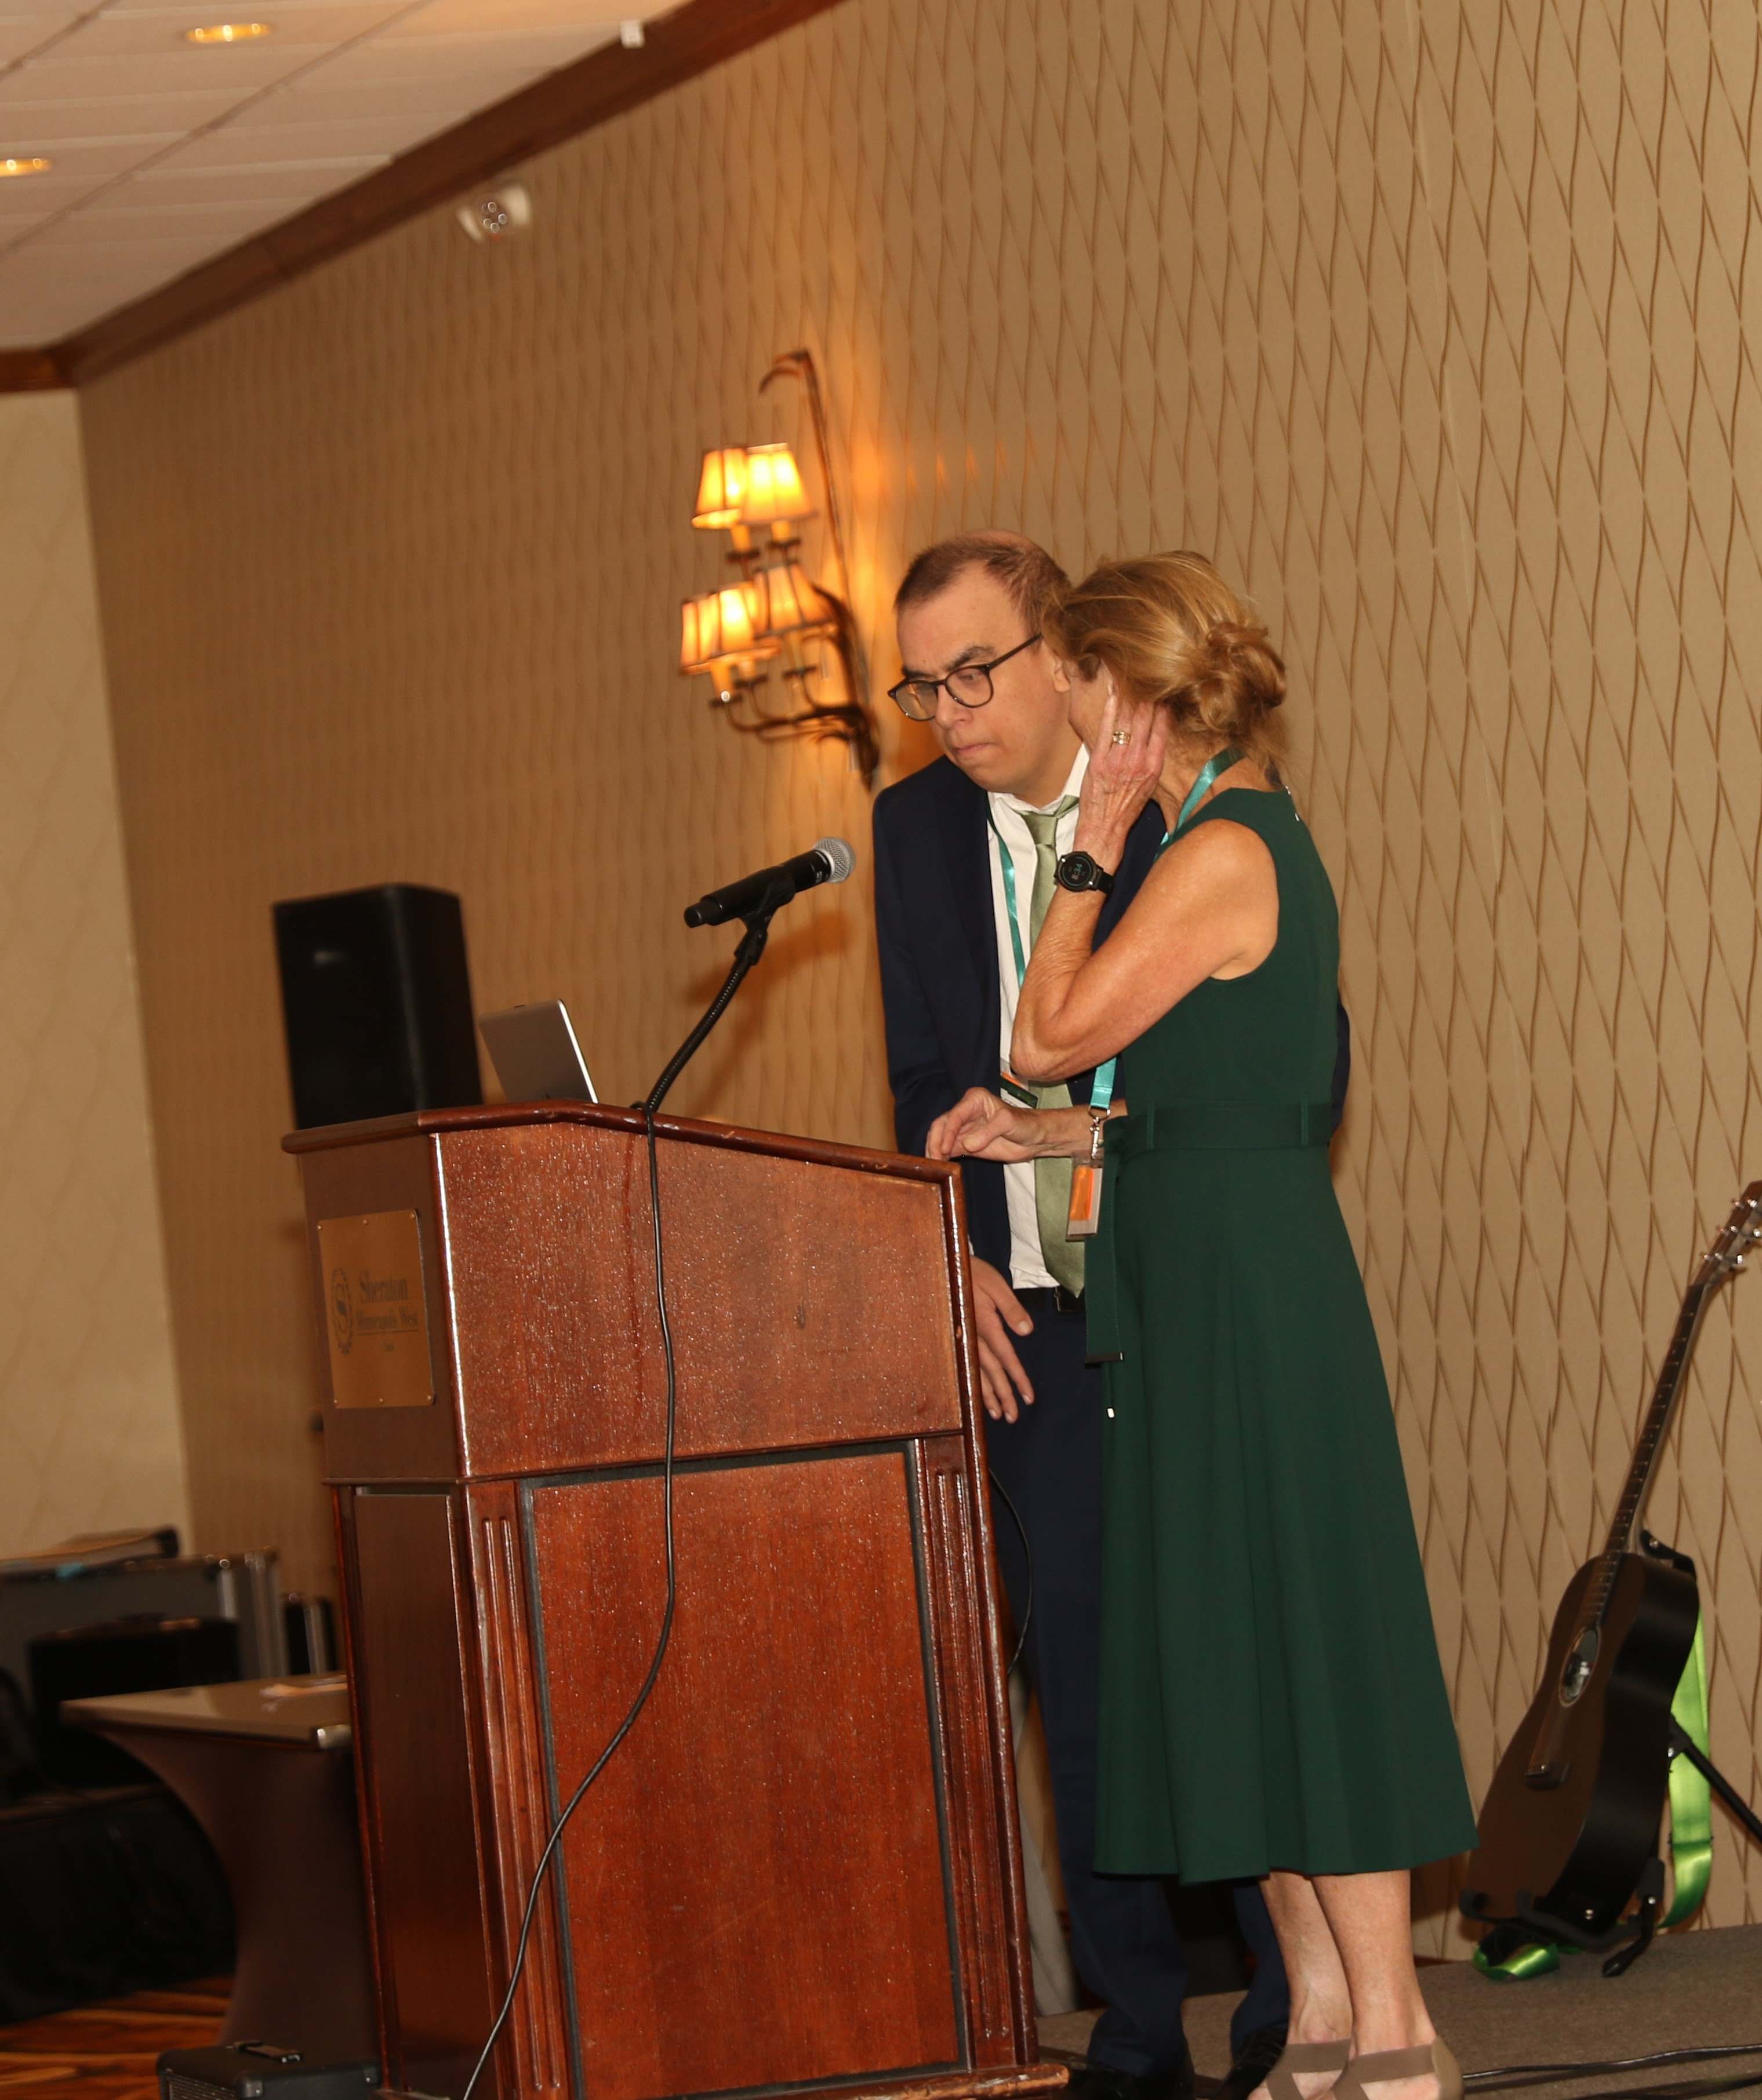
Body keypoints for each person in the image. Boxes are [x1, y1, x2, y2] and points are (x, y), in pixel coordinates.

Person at [927, 553, 1477, 2100]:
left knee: (1308, 1638)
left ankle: (1394, 2034)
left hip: (1248, 1298)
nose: (1086, 738)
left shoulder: (1219, 850)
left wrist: (1088, 851)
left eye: (1089, 704)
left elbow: (1047, 1038)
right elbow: (1198, 1105)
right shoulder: (1234, 838)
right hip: (1200, 1274)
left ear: (1140, 703)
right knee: (1233, 1651)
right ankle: (1316, 2014)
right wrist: (1029, 1143)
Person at [873, 534, 1345, 2100]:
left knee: (1236, 1653)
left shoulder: (1189, 815)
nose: (947, 710)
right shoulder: (914, 831)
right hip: (1034, 1326)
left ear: (1062, 651)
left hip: (1181, 1300)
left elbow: (1298, 1063)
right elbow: (920, 1084)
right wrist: (952, 1266)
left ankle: (1298, 2008)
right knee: (1089, 1681)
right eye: (919, 685)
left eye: (974, 672)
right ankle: (1139, 2028)